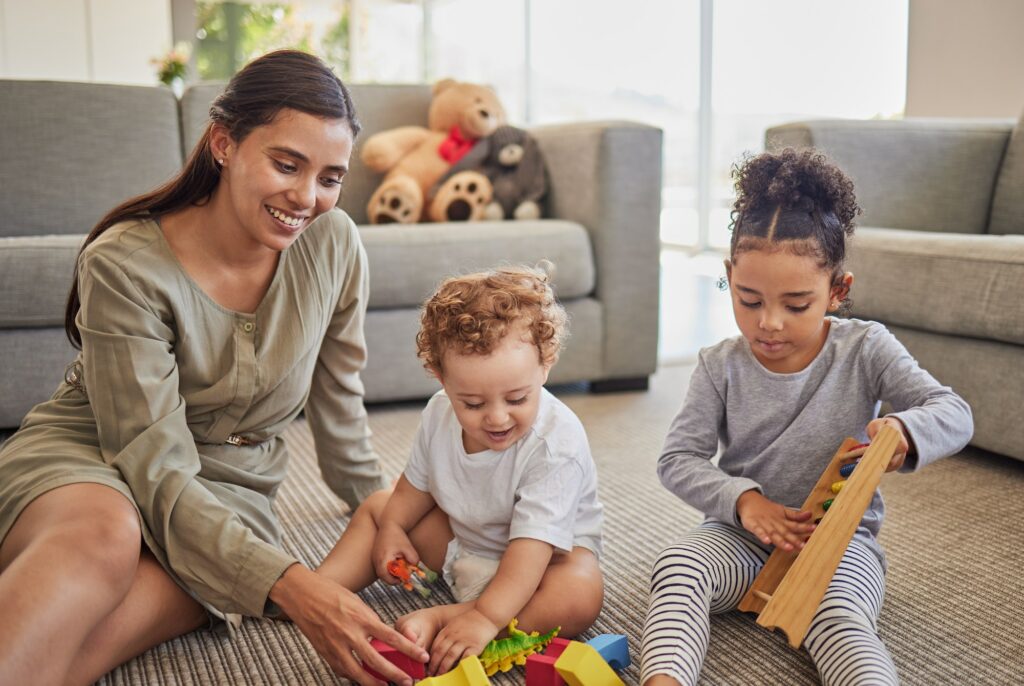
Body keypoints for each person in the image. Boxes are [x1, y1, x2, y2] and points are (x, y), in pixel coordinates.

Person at [0, 50, 429, 686]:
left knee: (84, 644)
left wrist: (376, 506)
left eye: (330, 177)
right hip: (97, 457)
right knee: (106, 536)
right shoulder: (125, 263)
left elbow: (338, 397)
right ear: (223, 144)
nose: (307, 198)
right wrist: (294, 586)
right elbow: (151, 460)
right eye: (287, 164)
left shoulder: (335, 242)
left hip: (231, 496)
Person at [640, 148, 974, 685]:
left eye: (796, 305)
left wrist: (906, 430)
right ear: (729, 276)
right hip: (741, 536)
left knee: (840, 618)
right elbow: (677, 460)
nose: (768, 323)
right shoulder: (718, 365)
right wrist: (745, 502)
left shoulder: (866, 348)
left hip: (840, 543)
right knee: (678, 569)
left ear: (838, 291)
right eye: (749, 300)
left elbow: (954, 412)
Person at [317, 265, 605, 677]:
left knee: (580, 592)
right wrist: (394, 529)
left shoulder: (556, 442)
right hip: (465, 541)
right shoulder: (438, 412)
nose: (497, 418)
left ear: (545, 364)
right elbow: (416, 485)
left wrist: (485, 617)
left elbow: (531, 549)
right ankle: (317, 591)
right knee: (379, 508)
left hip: (538, 566)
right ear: (440, 378)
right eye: (472, 403)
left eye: (518, 398)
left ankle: (453, 616)